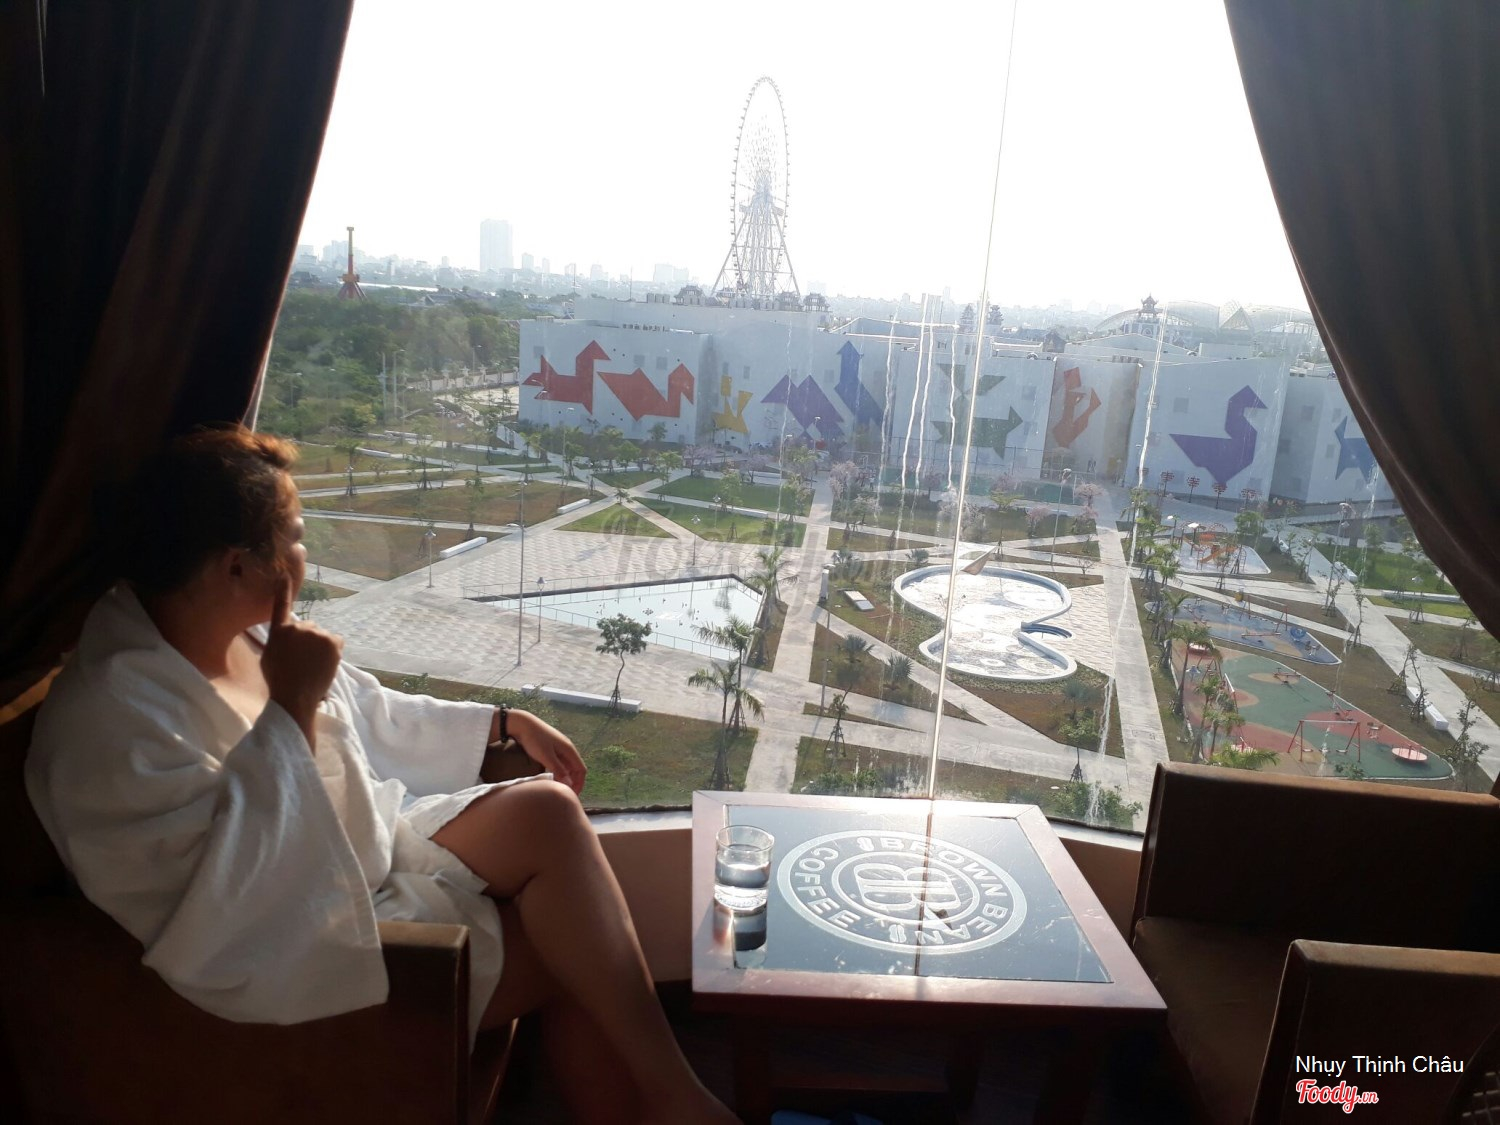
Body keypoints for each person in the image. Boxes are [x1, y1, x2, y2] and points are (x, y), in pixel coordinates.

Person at [25, 426, 735, 1125]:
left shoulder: (243, 632)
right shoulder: (115, 724)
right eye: (295, 537)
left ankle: (673, 1095)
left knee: (548, 811)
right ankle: (673, 1097)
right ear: (236, 567)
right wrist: (291, 707)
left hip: (360, 849)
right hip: (304, 936)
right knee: (578, 958)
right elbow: (237, 896)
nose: (304, 556)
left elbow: (370, 710)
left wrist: (499, 721)